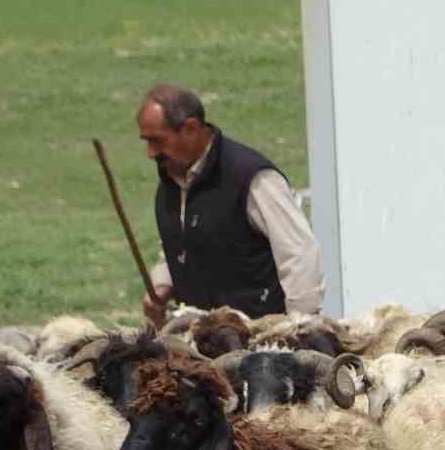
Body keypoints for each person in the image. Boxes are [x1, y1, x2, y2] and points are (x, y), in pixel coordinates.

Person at [136, 84, 323, 327]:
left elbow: (298, 253)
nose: (150, 153)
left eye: (157, 141)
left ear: (191, 128)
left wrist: (301, 328)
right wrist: (162, 285)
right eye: (147, 141)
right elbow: (180, 246)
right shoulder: (170, 184)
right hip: (201, 342)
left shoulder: (252, 178)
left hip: (258, 344)